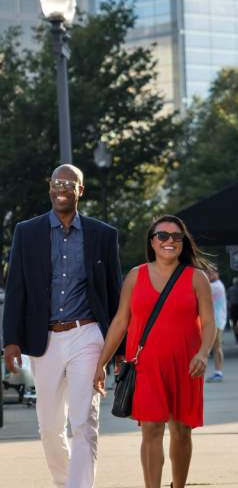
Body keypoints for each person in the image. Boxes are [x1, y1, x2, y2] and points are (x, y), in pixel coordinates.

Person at [2, 163, 122, 488]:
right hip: (45, 339)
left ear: (81, 191)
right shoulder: (27, 233)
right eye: (57, 182)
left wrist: (119, 351)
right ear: (50, 188)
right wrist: (10, 340)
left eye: (70, 183)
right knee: (49, 427)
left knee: (84, 421)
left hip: (88, 334)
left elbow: (115, 296)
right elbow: (16, 288)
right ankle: (64, 482)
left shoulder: (103, 235)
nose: (62, 188)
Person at [93, 215, 215, 488]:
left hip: (186, 365)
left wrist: (203, 353)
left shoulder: (197, 278)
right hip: (146, 365)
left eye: (176, 237)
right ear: (152, 241)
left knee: (182, 431)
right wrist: (102, 362)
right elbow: (120, 322)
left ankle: (178, 485)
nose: (169, 241)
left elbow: (209, 323)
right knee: (151, 428)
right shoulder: (136, 276)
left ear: (183, 243)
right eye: (162, 235)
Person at [206, 266, 226, 383]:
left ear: (216, 273)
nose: (208, 275)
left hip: (217, 321)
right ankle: (218, 372)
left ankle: (218, 372)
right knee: (216, 347)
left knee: (217, 347)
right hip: (217, 320)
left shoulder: (215, 286)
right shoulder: (216, 285)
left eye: (210, 273)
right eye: (208, 273)